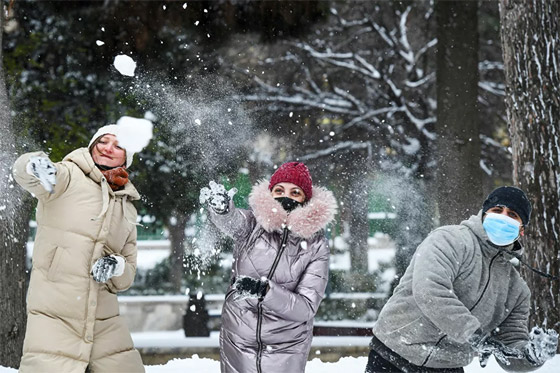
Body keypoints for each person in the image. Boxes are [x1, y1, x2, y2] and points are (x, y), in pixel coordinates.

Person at [366, 186, 559, 372]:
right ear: (484, 214)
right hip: (394, 353)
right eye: (497, 210)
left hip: (447, 366)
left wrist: (531, 356)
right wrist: (475, 335)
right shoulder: (449, 240)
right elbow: (430, 291)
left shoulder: (516, 290)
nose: (503, 217)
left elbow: (509, 345)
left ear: (521, 229)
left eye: (512, 215)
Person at [13, 125, 145, 372]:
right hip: (54, 314)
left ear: (127, 158)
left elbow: (127, 275)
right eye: (103, 141)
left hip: (104, 320)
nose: (108, 148)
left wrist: (116, 266)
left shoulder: (127, 208)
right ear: (92, 145)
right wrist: (34, 165)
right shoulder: (67, 176)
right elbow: (28, 174)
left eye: (118, 146)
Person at [199, 162, 337, 373]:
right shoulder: (252, 225)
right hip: (238, 340)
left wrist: (264, 291)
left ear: (306, 200)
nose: (285, 197)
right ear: (269, 193)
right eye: (279, 190)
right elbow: (232, 221)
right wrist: (223, 209)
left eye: (295, 192)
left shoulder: (315, 246)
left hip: (287, 348)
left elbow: (306, 308)